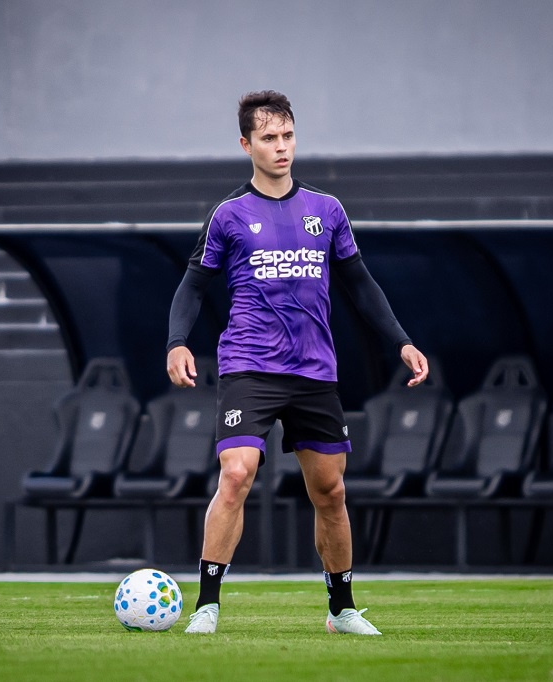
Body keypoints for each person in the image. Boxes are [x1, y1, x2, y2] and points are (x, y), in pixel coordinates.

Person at [166, 90, 428, 636]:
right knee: (237, 473)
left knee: (330, 490)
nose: (281, 147)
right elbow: (192, 285)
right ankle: (207, 607)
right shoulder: (229, 215)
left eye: (287, 136)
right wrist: (177, 342)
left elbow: (360, 283)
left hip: (314, 371)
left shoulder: (327, 210)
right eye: (268, 138)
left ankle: (342, 610)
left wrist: (401, 340)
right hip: (249, 366)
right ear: (246, 144)